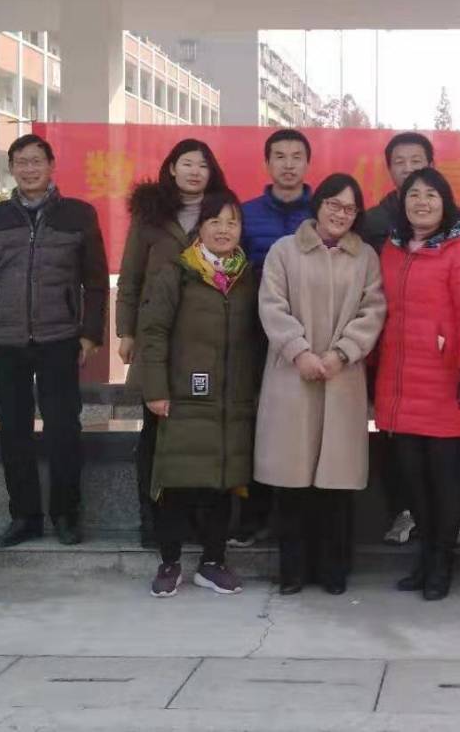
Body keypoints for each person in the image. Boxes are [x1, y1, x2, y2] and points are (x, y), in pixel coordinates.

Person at [0, 133, 108, 549]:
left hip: (60, 338)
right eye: (21, 162)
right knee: (14, 431)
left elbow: (96, 282)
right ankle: (24, 517)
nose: (29, 169)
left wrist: (90, 333)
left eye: (36, 161)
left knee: (64, 429)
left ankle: (66, 514)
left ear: (51, 166)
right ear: (11, 169)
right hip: (5, 341)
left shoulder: (79, 214)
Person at [255, 174, 386, 596]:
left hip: (341, 377)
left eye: (349, 208)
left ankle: (334, 570)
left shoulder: (365, 257)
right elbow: (271, 306)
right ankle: (293, 571)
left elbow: (373, 310)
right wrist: (299, 351)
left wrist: (341, 353)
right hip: (292, 376)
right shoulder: (284, 251)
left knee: (336, 484)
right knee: (291, 482)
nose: (340, 214)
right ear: (319, 205)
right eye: (334, 204)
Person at [135, 191, 263, 598]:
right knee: (176, 481)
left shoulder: (248, 278)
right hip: (183, 396)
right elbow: (153, 333)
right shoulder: (178, 272)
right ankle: (169, 562)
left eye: (232, 222)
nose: (224, 230)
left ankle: (213, 562)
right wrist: (155, 389)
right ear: (200, 228)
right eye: (215, 222)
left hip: (231, 401)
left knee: (222, 483)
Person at [374, 168, 460, 600]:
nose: (422, 202)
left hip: (445, 380)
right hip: (399, 382)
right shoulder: (391, 249)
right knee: (413, 480)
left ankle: (442, 563)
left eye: (431, 195)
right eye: (414, 195)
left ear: (446, 202)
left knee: (444, 481)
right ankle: (424, 558)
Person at [359, 131, 460, 549]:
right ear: (389, 169)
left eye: (416, 161)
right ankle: (405, 515)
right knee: (396, 443)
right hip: (392, 355)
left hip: (439, 361)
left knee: (443, 453)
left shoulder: (457, 226)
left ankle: (449, 527)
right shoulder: (376, 224)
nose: (408, 169)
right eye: (400, 162)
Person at [116, 139, 228, 548]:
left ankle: (195, 522)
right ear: (172, 169)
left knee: (198, 435)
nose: (195, 172)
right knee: (155, 432)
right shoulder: (150, 216)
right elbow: (130, 276)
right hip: (156, 337)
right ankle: (153, 521)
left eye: (203, 165)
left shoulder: (222, 214)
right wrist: (126, 332)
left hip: (203, 339)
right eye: (188, 164)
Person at [231, 128, 315, 547]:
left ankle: (299, 522)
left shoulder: (323, 212)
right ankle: (254, 516)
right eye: (279, 156)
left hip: (312, 336)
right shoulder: (245, 215)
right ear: (267, 164)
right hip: (257, 334)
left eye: (296, 156)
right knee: (258, 424)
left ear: (307, 163)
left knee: (302, 426)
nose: (288, 164)